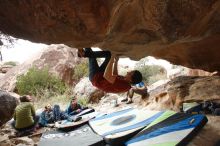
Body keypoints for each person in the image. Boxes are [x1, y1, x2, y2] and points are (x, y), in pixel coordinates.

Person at [77, 48, 142, 93]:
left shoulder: (124, 86)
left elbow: (107, 76)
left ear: (131, 79)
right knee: (108, 54)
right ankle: (84, 53)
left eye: (130, 73)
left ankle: (84, 52)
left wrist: (112, 58)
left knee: (92, 56)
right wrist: (116, 61)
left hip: (95, 78)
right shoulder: (125, 80)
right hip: (101, 75)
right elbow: (115, 75)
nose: (128, 72)